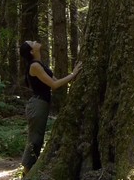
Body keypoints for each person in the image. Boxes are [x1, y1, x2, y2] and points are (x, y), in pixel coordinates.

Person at [19, 40, 81, 176]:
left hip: (41, 104)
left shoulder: (40, 64)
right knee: (35, 139)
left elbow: (57, 80)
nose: (35, 41)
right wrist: (74, 74)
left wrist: (73, 77)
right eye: (32, 42)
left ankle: (28, 172)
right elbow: (54, 85)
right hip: (37, 105)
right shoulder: (35, 65)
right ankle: (26, 173)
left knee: (37, 139)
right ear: (31, 51)